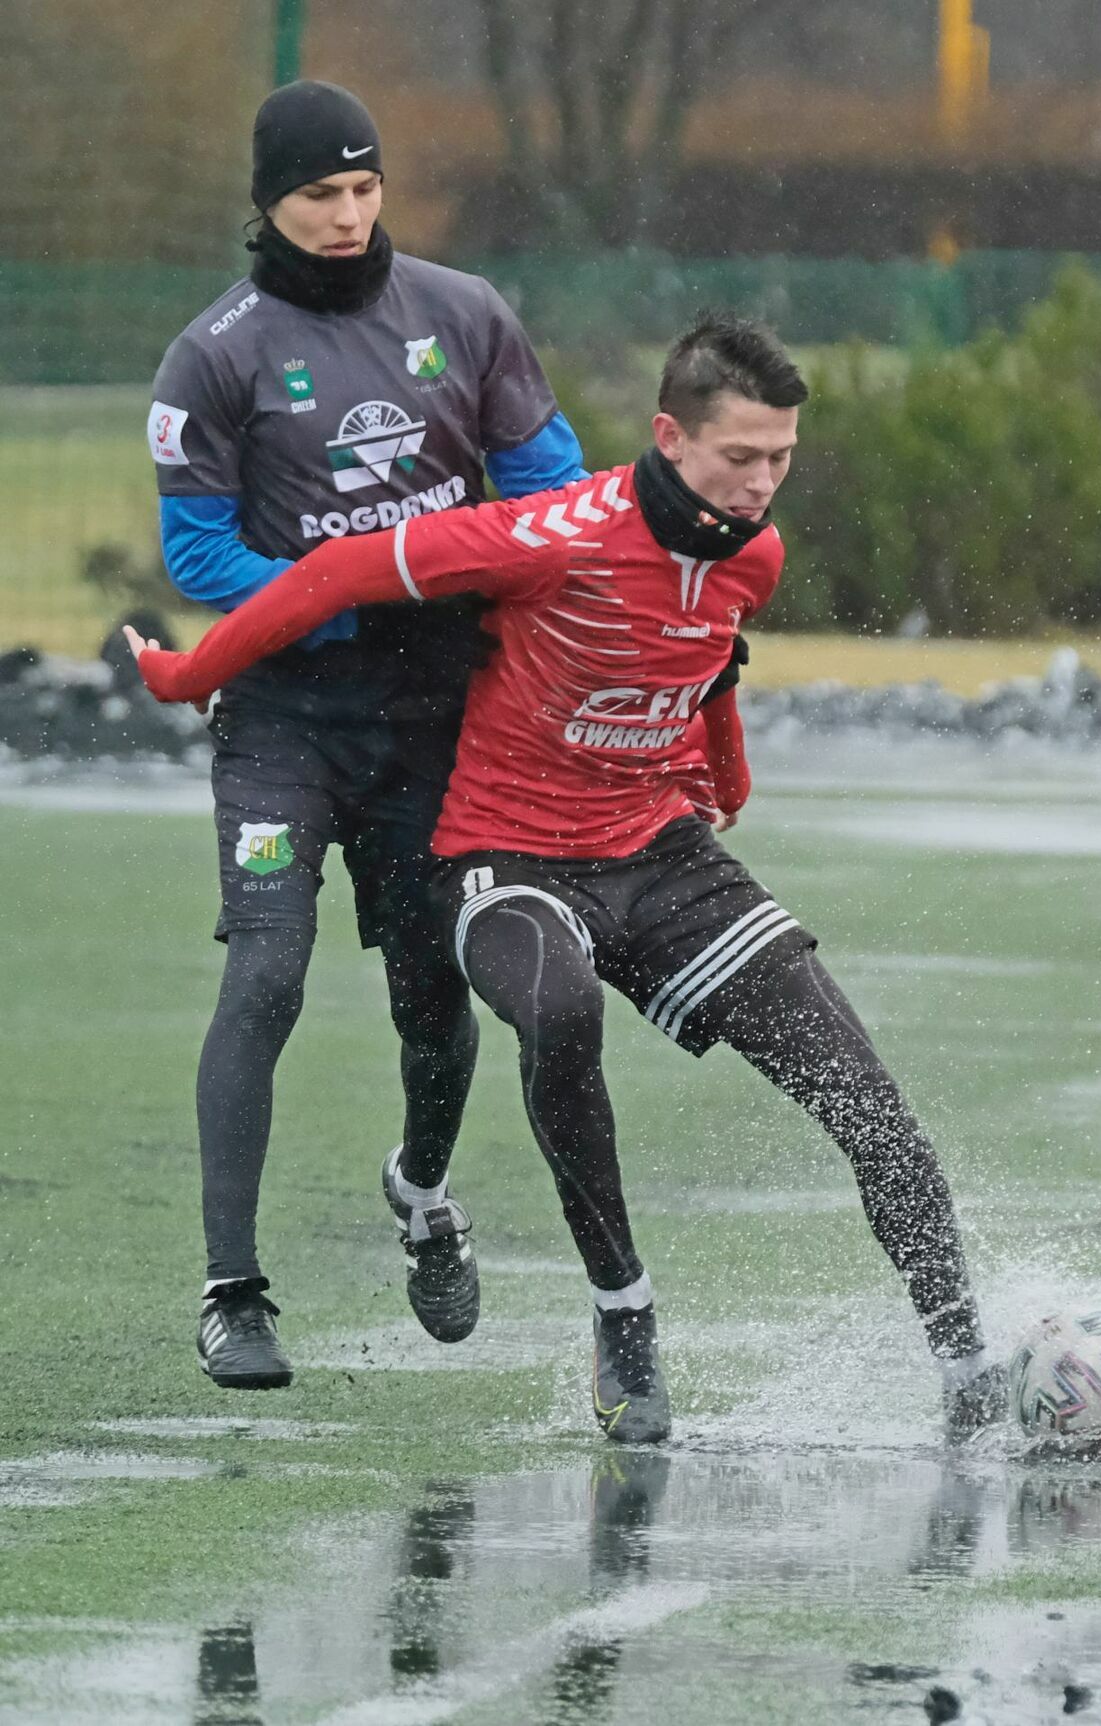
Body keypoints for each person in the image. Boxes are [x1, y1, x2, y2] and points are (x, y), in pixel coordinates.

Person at [131, 316, 1007, 1445]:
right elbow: (346, 567)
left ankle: (971, 1371)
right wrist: (185, 672)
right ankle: (623, 1315)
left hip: (659, 850)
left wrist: (725, 777)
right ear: (669, 436)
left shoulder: (756, 553)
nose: (761, 483)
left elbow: (706, 659)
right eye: (740, 456)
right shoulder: (554, 533)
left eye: (782, 457)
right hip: (508, 859)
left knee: (870, 1107)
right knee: (558, 1008)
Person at [147, 80, 585, 1390]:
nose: (346, 217)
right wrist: (342, 597)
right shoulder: (214, 353)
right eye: (316, 196)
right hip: (286, 719)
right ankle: (233, 1291)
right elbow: (196, 547)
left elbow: (552, 495)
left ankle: (422, 1190)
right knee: (266, 977)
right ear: (266, 204)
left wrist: (477, 588)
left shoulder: (467, 314)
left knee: (434, 997)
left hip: (439, 720)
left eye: (362, 189)